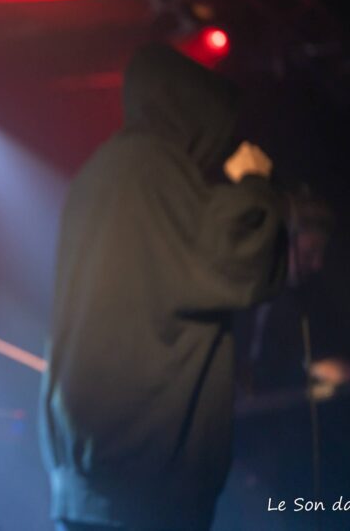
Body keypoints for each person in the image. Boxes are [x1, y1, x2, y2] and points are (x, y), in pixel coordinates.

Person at [40, 44, 288, 531]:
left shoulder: (104, 171)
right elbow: (236, 256)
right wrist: (256, 184)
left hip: (94, 476)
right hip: (142, 484)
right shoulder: (153, 170)